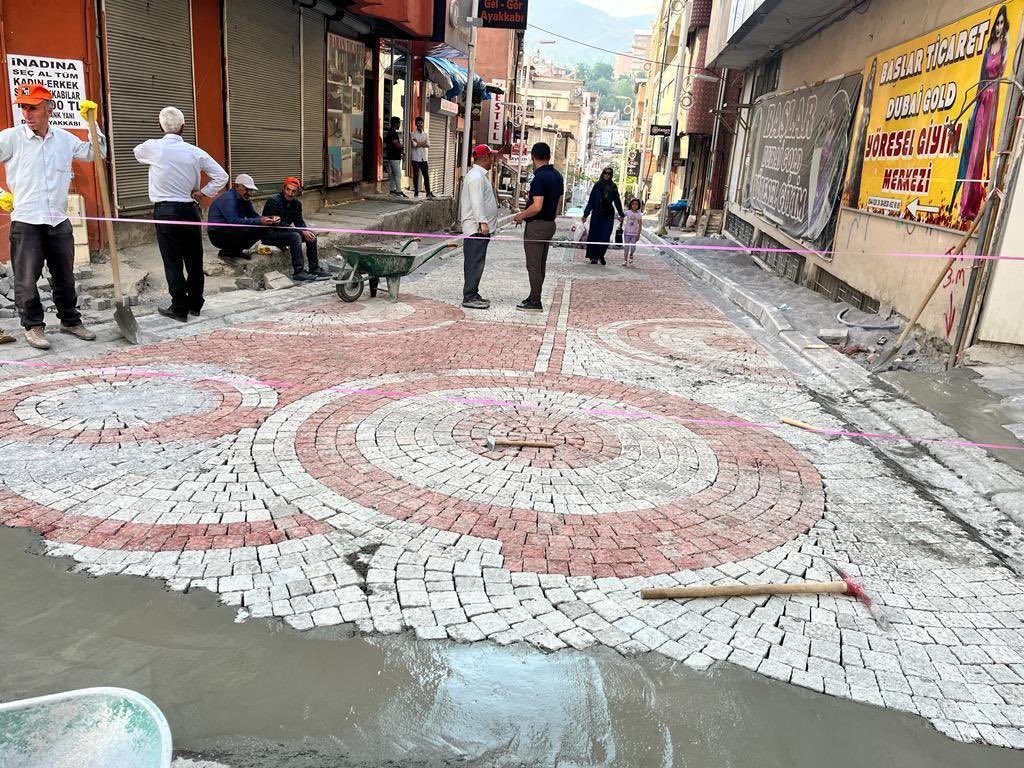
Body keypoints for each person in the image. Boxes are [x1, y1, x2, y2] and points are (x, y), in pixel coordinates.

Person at [0, 83, 104, 350]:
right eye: (23, 107)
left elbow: (96, 153)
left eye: (33, 107)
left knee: (65, 276)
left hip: (58, 220)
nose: (27, 113)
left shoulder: (64, 139)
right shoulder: (11, 138)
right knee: (26, 279)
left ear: (49, 108)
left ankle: (70, 320)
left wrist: (94, 125)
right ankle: (33, 326)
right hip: (26, 221)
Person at [133, 106, 228, 322]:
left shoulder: (154, 147)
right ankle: (195, 304)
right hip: (189, 209)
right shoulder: (195, 152)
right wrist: (203, 192)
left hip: (165, 211)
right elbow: (221, 176)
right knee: (194, 259)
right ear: (184, 127)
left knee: (172, 260)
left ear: (160, 126)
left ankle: (179, 307)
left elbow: (137, 152)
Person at [949, 4, 1010, 223]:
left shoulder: (1004, 46)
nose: (999, 27)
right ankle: (965, 206)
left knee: (984, 151)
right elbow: (981, 74)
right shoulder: (988, 48)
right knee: (972, 151)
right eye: (998, 23)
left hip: (993, 100)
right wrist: (976, 99)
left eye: (1003, 23)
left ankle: (975, 206)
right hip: (982, 98)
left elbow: (1001, 71)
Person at [512, 142, 563, 312]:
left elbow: (537, 205)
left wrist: (521, 215)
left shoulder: (539, 177)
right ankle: (535, 295)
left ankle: (535, 301)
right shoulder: (557, 175)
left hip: (537, 224)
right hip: (550, 224)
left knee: (533, 265)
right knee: (541, 264)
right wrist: (551, 217)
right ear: (549, 156)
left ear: (533, 156)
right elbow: (559, 202)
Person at [262, 176, 331, 282]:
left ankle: (314, 268)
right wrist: (300, 231)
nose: (290, 193)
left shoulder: (296, 204)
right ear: (283, 189)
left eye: (293, 191)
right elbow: (278, 224)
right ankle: (298, 272)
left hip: (285, 232)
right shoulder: (273, 201)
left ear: (297, 192)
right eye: (288, 190)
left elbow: (299, 222)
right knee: (295, 236)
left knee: (311, 235)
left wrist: (306, 231)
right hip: (270, 234)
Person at [459, 144, 498, 309]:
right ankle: (469, 296)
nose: (492, 160)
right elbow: (476, 202)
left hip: (478, 229)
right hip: (476, 229)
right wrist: (482, 222)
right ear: (485, 158)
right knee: (474, 262)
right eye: (491, 156)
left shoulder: (479, 175)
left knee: (476, 262)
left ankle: (473, 292)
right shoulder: (476, 176)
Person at [207, 174, 280, 263]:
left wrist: (270, 219)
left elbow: (254, 216)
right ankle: (226, 252)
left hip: (230, 230)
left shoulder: (245, 199)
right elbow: (234, 222)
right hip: (218, 234)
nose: (249, 193)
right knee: (244, 227)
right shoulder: (228, 199)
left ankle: (236, 251)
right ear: (236, 186)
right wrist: (259, 221)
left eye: (251, 190)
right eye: (246, 189)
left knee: (261, 227)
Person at [582, 167, 624, 265]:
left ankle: (601, 254)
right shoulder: (597, 186)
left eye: (609, 174)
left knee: (605, 235)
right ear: (602, 173)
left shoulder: (613, 187)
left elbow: (617, 201)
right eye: (605, 173)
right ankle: (593, 257)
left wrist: (621, 214)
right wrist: (585, 214)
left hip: (608, 215)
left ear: (611, 175)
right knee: (595, 235)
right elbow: (591, 201)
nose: (607, 175)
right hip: (597, 214)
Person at [410, 117, 434, 198]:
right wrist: (423, 143)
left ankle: (428, 192)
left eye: (421, 123)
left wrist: (419, 143)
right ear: (416, 124)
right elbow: (414, 145)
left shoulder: (425, 134)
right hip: (415, 159)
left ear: (423, 124)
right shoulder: (412, 133)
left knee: (426, 176)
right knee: (416, 176)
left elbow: (428, 145)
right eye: (418, 123)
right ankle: (416, 192)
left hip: (424, 159)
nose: (420, 124)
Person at [384, 116, 406, 197]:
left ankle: (392, 190)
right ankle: (399, 191)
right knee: (397, 175)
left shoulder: (392, 132)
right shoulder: (392, 132)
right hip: (394, 157)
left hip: (393, 157)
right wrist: (402, 146)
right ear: (396, 123)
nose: (399, 125)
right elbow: (396, 144)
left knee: (393, 175)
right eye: (399, 123)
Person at [621, 198, 643, 267]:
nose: (634, 206)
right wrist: (620, 218)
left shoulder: (639, 215)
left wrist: (638, 234)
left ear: (638, 206)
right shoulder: (627, 212)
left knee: (633, 247)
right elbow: (621, 216)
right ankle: (625, 260)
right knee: (626, 247)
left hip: (634, 234)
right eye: (633, 204)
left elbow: (640, 225)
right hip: (626, 233)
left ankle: (631, 254)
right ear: (631, 205)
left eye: (636, 204)